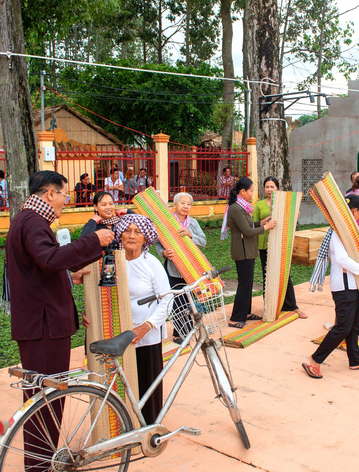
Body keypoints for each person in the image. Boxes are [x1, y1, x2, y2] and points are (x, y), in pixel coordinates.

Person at [6, 171, 113, 469]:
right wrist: (94, 240)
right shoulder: (33, 223)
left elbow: (42, 267)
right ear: (50, 193)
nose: (66, 202)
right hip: (44, 327)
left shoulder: (26, 221)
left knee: (41, 400)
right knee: (46, 401)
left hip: (38, 324)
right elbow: (49, 259)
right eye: (65, 195)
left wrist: (71, 274)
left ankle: (39, 461)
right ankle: (40, 465)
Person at [303, 195, 359, 378]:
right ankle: (315, 360)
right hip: (344, 286)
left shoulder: (345, 229)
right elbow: (341, 259)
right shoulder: (339, 231)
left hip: (352, 284)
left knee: (352, 326)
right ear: (355, 210)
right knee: (343, 327)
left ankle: (356, 360)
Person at [115, 214, 172, 424]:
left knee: (148, 382)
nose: (131, 236)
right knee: (123, 382)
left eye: (137, 232)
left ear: (145, 238)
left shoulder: (152, 264)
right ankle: (124, 423)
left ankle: (149, 428)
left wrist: (146, 327)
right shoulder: (112, 261)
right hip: (118, 331)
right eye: (127, 231)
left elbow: (166, 301)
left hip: (146, 335)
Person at [154, 192, 208, 344]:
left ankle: (189, 329)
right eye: (182, 203)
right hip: (173, 267)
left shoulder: (193, 223)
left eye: (189, 204)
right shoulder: (167, 223)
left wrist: (191, 235)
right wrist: (163, 253)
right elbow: (157, 243)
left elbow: (203, 241)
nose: (186, 206)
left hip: (191, 267)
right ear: (175, 205)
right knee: (177, 300)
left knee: (189, 299)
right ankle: (179, 333)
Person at [225, 177, 276, 328]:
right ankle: (236, 318)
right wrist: (266, 228)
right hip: (242, 251)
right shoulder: (235, 208)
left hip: (247, 249)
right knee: (244, 284)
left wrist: (262, 222)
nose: (253, 194)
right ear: (243, 191)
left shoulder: (242, 207)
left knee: (248, 284)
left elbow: (248, 225)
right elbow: (247, 231)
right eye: (251, 191)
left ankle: (245, 313)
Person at [253, 176, 307, 319]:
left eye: (272, 187)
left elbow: (289, 222)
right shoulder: (259, 205)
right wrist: (263, 222)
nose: (269, 189)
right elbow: (254, 223)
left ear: (278, 188)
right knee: (267, 275)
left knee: (284, 274)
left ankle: (292, 306)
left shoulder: (285, 203)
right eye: (267, 187)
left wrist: (295, 215)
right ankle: (269, 306)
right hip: (264, 243)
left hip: (281, 242)